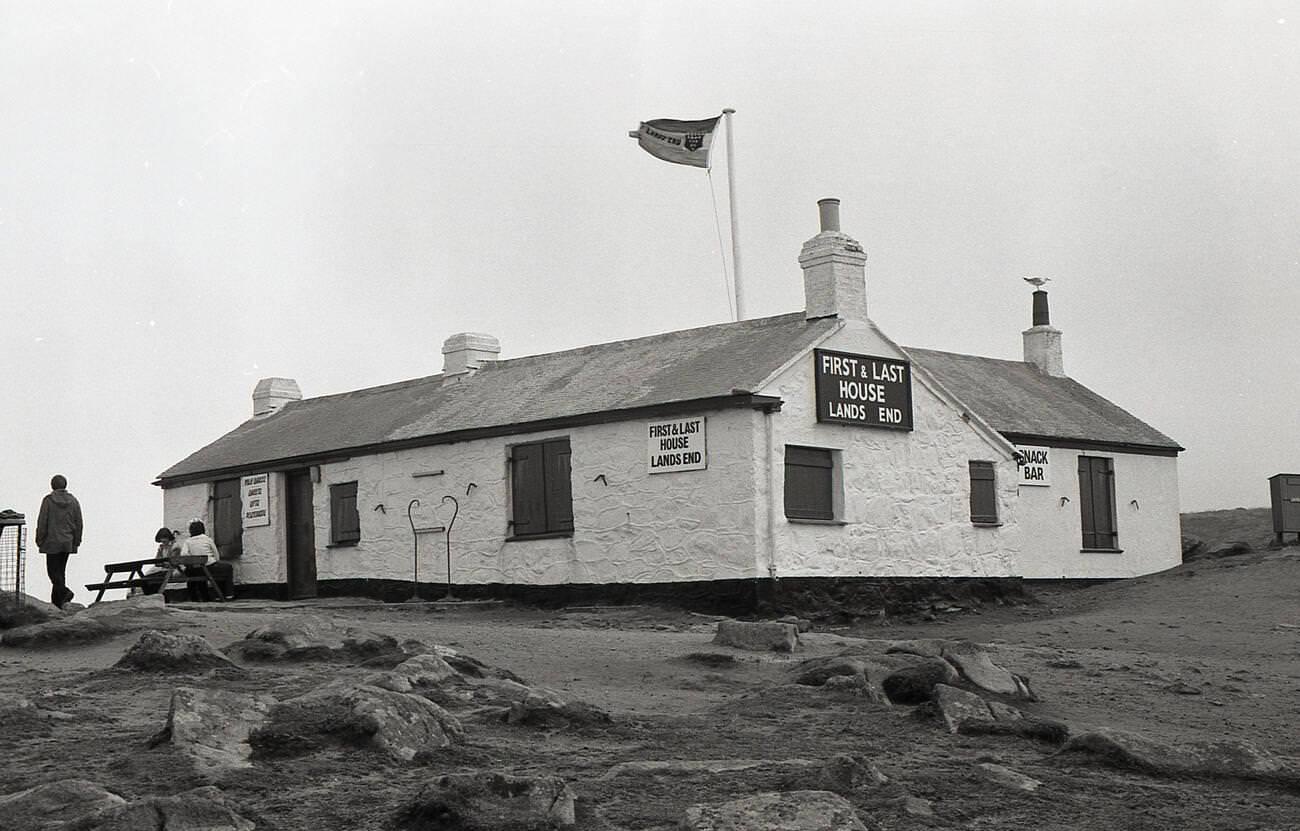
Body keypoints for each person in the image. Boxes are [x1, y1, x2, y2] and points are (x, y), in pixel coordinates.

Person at [35, 474, 82, 609]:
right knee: (60, 572)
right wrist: (76, 541)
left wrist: (39, 539)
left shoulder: (48, 501)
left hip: (52, 542)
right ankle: (58, 603)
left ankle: (66, 593)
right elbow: (79, 523)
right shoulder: (73, 501)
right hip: (67, 541)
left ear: (52, 485)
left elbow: (42, 521)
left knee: (53, 573)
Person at [179, 519, 234, 601]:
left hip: (196, 569)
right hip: (209, 567)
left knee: (198, 574)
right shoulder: (207, 539)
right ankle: (227, 594)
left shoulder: (188, 541)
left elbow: (184, 554)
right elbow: (217, 556)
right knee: (227, 568)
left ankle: (202, 597)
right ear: (203, 529)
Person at [141, 527, 180, 595]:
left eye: (164, 540)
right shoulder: (161, 547)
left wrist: (162, 563)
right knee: (144, 579)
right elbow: (157, 561)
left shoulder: (175, 547)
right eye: (161, 540)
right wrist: (162, 563)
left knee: (155, 580)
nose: (163, 542)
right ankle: (152, 596)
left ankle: (157, 595)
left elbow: (172, 562)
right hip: (162, 570)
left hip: (172, 570)